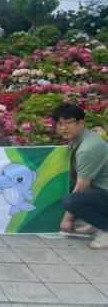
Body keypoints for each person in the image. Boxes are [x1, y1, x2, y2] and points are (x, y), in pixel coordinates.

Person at [55, 103, 108, 249]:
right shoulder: (81, 139)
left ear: (81, 123)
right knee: (65, 183)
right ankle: (95, 221)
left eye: (68, 123)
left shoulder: (88, 148)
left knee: (71, 201)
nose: (64, 127)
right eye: (60, 124)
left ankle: (105, 228)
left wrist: (67, 219)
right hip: (101, 188)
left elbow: (82, 187)